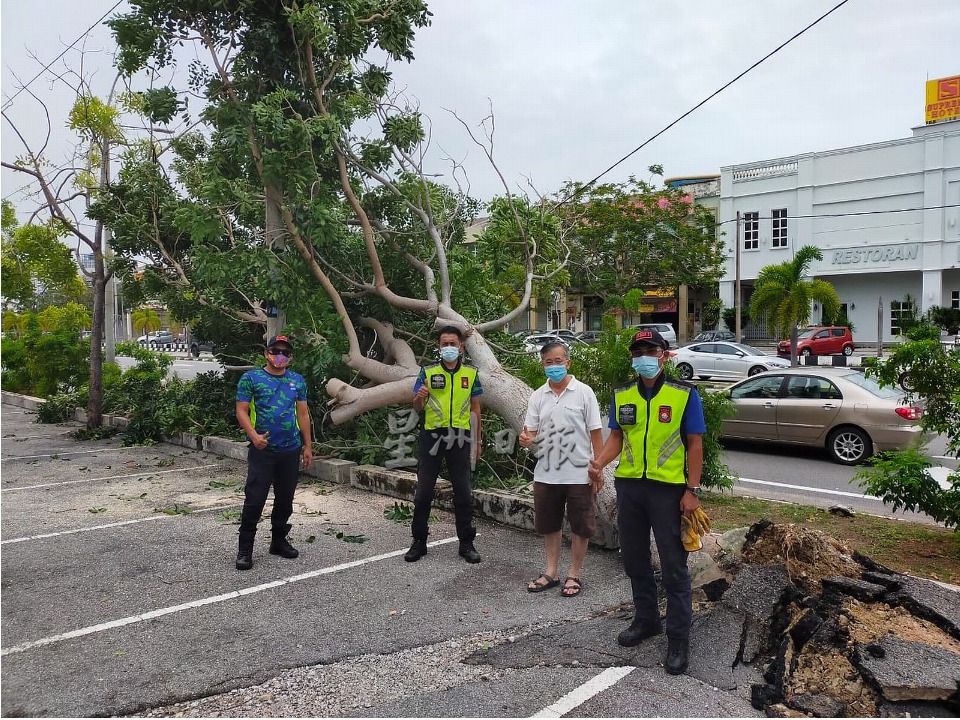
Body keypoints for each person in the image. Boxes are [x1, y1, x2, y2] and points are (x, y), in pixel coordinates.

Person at [589, 328, 705, 675]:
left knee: (673, 566)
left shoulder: (684, 394)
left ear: (664, 355)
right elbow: (616, 439)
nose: (643, 356)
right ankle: (647, 620)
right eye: (638, 351)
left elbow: (695, 444)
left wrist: (692, 490)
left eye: (650, 350)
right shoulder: (623, 394)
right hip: (630, 488)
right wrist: (598, 463)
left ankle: (678, 638)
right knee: (635, 558)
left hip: (668, 491)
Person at [519, 341, 603, 598]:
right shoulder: (537, 396)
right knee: (549, 524)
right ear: (542, 365)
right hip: (546, 472)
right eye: (548, 362)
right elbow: (530, 432)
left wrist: (598, 467)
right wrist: (526, 439)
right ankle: (551, 572)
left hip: (579, 472)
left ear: (568, 363)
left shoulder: (584, 392)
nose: (553, 366)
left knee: (580, 525)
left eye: (558, 361)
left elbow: (596, 433)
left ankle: (574, 574)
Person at [234, 335, 313, 570]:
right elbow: (241, 411)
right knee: (255, 500)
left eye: (285, 352)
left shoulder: (297, 381)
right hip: (263, 450)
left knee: (285, 500)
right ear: (266, 352)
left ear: (291, 357)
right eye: (275, 350)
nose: (280, 356)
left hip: (290, 449)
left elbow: (303, 414)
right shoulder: (251, 378)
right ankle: (245, 549)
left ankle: (278, 541)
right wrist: (253, 436)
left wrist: (307, 445)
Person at [405, 326, 483, 564]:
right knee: (424, 491)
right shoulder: (427, 372)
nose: (449, 348)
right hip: (432, 436)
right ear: (438, 348)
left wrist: (478, 440)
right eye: (444, 344)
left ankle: (466, 543)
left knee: (463, 492)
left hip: (460, 437)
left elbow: (476, 409)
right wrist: (420, 396)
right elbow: (417, 407)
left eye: (453, 344)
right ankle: (419, 541)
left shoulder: (470, 374)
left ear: (461, 347)